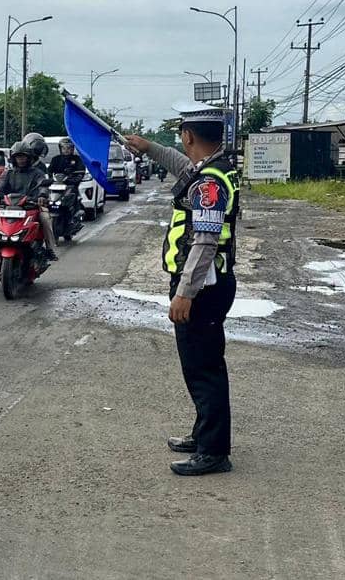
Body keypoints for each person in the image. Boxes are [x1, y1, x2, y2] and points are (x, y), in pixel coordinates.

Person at [125, 103, 240, 477]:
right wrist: (148, 148)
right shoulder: (212, 171)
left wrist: (185, 292)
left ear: (189, 135)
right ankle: (203, 434)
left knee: (203, 368)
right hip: (209, 284)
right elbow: (180, 165)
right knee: (200, 365)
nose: (180, 141)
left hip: (203, 286)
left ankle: (213, 452)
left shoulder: (209, 183)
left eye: (180, 135)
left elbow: (205, 241)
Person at [0, 138, 57, 260]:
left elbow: (43, 185)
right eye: (18, 157)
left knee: (45, 218)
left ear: (29, 158)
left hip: (31, 205)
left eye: (23, 157)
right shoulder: (8, 173)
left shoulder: (37, 173)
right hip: (10, 207)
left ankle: (50, 249)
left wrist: (42, 196)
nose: (21, 160)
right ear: (14, 158)